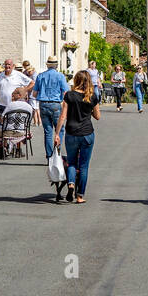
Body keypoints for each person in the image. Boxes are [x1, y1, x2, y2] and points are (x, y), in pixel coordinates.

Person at [54, 70, 99, 203]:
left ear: (76, 80)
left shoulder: (69, 95)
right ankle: (80, 196)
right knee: (84, 165)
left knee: (72, 162)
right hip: (87, 133)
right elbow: (98, 116)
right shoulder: (92, 96)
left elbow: (63, 116)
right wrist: (88, 110)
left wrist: (57, 134)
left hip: (71, 133)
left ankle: (71, 184)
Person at [33, 55, 70, 159]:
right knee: (60, 129)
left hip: (43, 103)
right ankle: (56, 152)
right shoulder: (60, 76)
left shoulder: (40, 76)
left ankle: (49, 155)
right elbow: (65, 92)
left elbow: (34, 94)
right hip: (55, 103)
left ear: (48, 65)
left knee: (48, 131)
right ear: (56, 65)